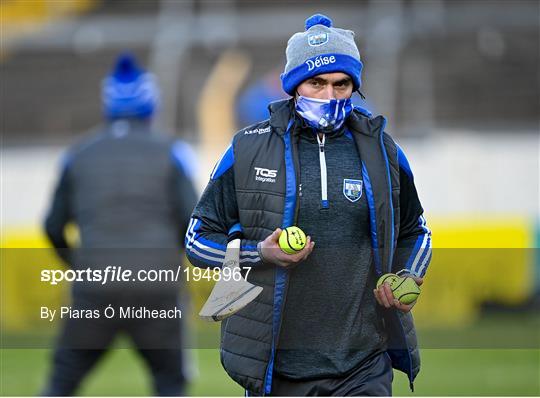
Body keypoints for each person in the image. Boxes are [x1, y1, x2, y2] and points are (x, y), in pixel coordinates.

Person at [186, 14, 431, 396]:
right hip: (277, 371)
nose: (329, 96)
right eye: (316, 83)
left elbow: (416, 230)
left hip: (363, 367)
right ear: (293, 86)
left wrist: (409, 274)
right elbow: (198, 239)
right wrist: (259, 253)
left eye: (341, 84)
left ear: (354, 87)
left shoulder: (383, 150)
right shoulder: (247, 149)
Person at [41, 54, 198, 396]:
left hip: (95, 284)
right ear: (150, 104)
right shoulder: (173, 152)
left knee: (62, 380)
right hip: (156, 285)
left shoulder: (78, 153)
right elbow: (193, 223)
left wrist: (79, 266)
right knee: (170, 382)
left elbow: (53, 226)